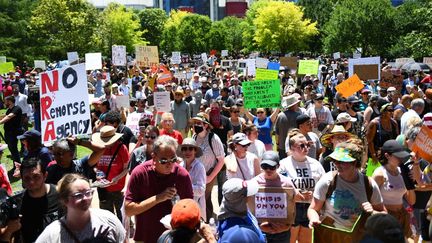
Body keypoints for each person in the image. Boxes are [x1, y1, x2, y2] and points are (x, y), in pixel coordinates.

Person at [308, 140, 385, 242]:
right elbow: (313, 209)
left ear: (354, 162)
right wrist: (314, 219)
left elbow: (384, 214)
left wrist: (372, 212)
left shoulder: (369, 184)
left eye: (342, 162)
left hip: (358, 237)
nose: (337, 164)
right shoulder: (328, 181)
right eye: (335, 160)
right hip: (331, 236)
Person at [124, 135, 193, 243]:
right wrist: (158, 198)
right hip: (145, 236)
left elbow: (190, 209)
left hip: (174, 238)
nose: (169, 164)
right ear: (154, 157)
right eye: (164, 160)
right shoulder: (140, 173)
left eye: (173, 159)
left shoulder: (182, 175)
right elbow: (128, 210)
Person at [36, 173, 126, 242]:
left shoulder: (108, 219)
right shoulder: (53, 233)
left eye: (88, 193)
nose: (85, 198)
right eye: (78, 195)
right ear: (64, 200)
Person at [279, 131, 325, 243]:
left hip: (310, 208)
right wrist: (293, 194)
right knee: (290, 239)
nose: (306, 148)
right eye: (301, 146)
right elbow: (277, 185)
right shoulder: (283, 164)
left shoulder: (316, 164)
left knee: (306, 240)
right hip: (291, 208)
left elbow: (324, 185)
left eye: (307, 145)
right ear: (291, 148)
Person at [372, 140, 415, 238]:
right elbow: (371, 199)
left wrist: (410, 183)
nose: (401, 159)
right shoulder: (379, 174)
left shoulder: (402, 172)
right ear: (387, 156)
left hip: (402, 216)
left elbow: (411, 201)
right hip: (386, 219)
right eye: (398, 156)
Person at [252, 151, 297, 243]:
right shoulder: (254, 183)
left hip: (282, 232)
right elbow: (249, 208)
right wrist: (259, 226)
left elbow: (292, 206)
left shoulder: (287, 183)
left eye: (272, 167)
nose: (268, 170)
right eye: (265, 167)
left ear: (278, 166)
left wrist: (287, 226)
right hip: (261, 231)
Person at [190, 112, 225, 221]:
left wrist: (210, 177)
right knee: (203, 199)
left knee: (203, 198)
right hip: (197, 173)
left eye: (199, 123)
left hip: (209, 172)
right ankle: (205, 219)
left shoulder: (213, 138)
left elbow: (221, 160)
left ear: (205, 125)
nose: (196, 125)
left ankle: (205, 222)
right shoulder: (194, 137)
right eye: (195, 123)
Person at [20, 157, 61, 243]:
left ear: (45, 175)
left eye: (36, 176)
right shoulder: (17, 203)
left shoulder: (60, 195)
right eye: (27, 178)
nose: (31, 182)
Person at [93, 125, 130, 222]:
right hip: (103, 188)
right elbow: (95, 166)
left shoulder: (122, 148)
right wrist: (98, 173)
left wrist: (117, 178)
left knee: (121, 215)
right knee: (106, 216)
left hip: (118, 188)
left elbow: (127, 168)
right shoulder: (98, 148)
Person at [217, 178, 266, 243]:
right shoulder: (237, 232)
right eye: (248, 195)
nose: (251, 196)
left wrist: (260, 228)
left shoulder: (239, 210)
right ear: (243, 199)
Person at [366, 103, 399, 176]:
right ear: (383, 112)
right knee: (372, 178)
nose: (392, 112)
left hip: (389, 156)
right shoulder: (374, 123)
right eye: (390, 110)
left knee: (389, 177)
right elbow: (369, 141)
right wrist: (374, 155)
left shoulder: (394, 123)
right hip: (376, 156)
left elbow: (396, 139)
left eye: (393, 110)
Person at [178, 138, 207, 220]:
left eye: (190, 149)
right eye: (184, 149)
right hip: (182, 206)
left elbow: (201, 190)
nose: (187, 152)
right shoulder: (180, 165)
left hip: (196, 207)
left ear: (195, 151)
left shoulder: (199, 167)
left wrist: (185, 186)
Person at [275, 94, 301, 158]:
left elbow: (276, 133)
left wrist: (277, 144)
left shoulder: (280, 116)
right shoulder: (299, 116)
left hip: (282, 147)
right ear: (294, 105)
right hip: (295, 146)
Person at [0, 95, 23, 165]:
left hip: (13, 133)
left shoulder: (17, 108)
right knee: (12, 150)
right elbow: (5, 116)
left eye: (5, 101)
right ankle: (16, 165)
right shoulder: (9, 109)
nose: (4, 103)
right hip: (8, 133)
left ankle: (18, 166)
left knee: (14, 150)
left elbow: (9, 117)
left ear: (9, 101)